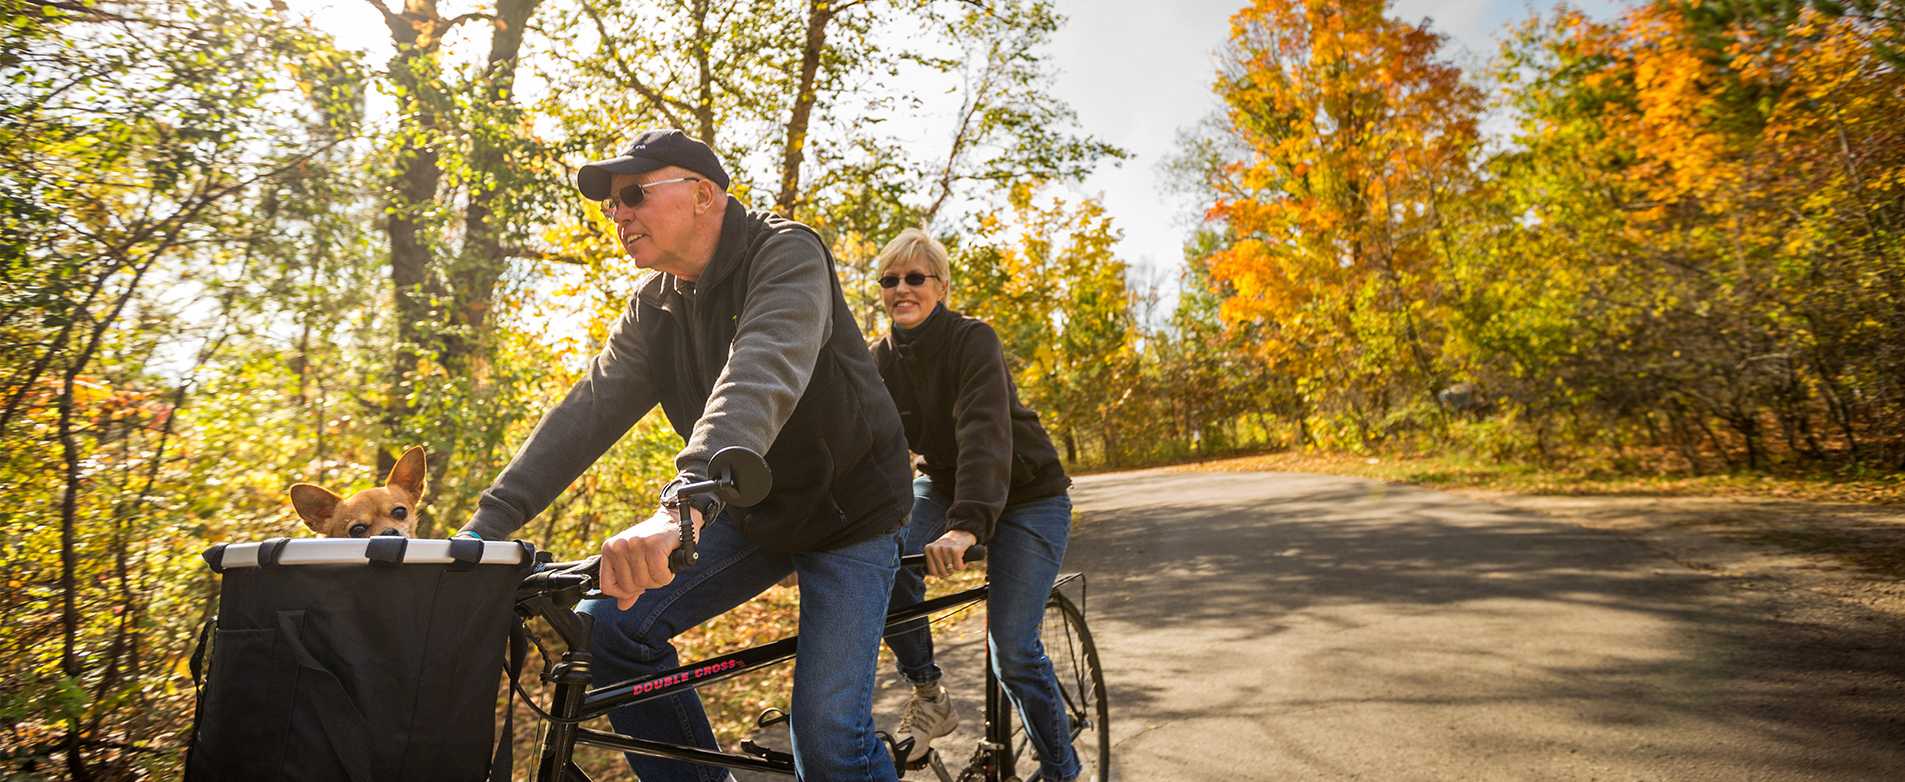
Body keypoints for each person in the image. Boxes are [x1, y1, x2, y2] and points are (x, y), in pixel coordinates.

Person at [458, 129, 913, 782]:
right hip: (748, 507)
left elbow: (761, 367)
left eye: (633, 195)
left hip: (850, 512)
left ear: (702, 194)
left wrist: (687, 499)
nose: (617, 214)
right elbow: (584, 414)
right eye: (611, 204)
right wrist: (482, 530)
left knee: (828, 738)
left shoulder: (785, 253)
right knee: (607, 631)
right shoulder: (654, 309)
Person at [869, 228, 1079, 781]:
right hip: (945, 485)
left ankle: (1062, 767)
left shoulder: (972, 339)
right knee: (880, 556)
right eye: (890, 280)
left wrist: (965, 527)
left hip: (1029, 495)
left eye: (915, 277)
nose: (902, 288)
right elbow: (865, 448)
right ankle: (929, 693)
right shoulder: (877, 361)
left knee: (1011, 649)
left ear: (941, 286)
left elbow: (984, 432)